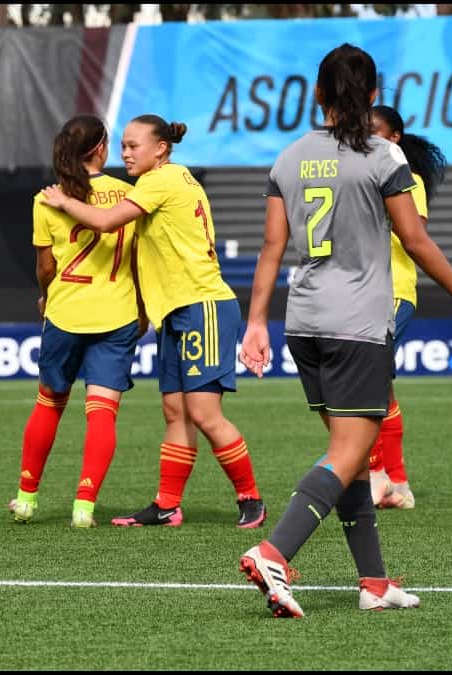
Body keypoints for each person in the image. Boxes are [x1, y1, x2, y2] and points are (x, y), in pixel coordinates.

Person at [237, 43, 452, 618]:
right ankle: (273, 552)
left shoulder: (288, 158)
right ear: (375, 95)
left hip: (304, 321)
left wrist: (256, 321)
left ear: (317, 94)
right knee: (348, 452)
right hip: (357, 323)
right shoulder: (385, 157)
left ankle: (374, 582)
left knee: (354, 460)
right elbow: (415, 241)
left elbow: (271, 247)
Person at [39, 115, 265, 529]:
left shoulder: (160, 181)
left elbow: (105, 222)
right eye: (122, 145)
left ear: (161, 148)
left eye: (134, 146)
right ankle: (167, 505)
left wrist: (64, 201)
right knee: (175, 410)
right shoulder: (167, 180)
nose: (125, 153)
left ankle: (250, 497)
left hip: (203, 304)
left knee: (202, 411)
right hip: (176, 310)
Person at [7, 115, 143, 529]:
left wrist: (47, 294)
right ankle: (84, 507)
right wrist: (142, 306)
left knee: (50, 403)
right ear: (101, 148)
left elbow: (45, 266)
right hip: (117, 312)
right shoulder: (128, 193)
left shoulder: (47, 198)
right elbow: (138, 260)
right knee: (102, 411)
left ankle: (26, 499)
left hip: (65, 313)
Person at [365, 104, 448, 510]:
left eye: (374, 133)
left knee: (362, 381)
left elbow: (416, 236)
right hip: (363, 294)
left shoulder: (405, 179)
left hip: (393, 292)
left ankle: (376, 475)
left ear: (394, 138)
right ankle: (398, 484)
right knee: (380, 386)